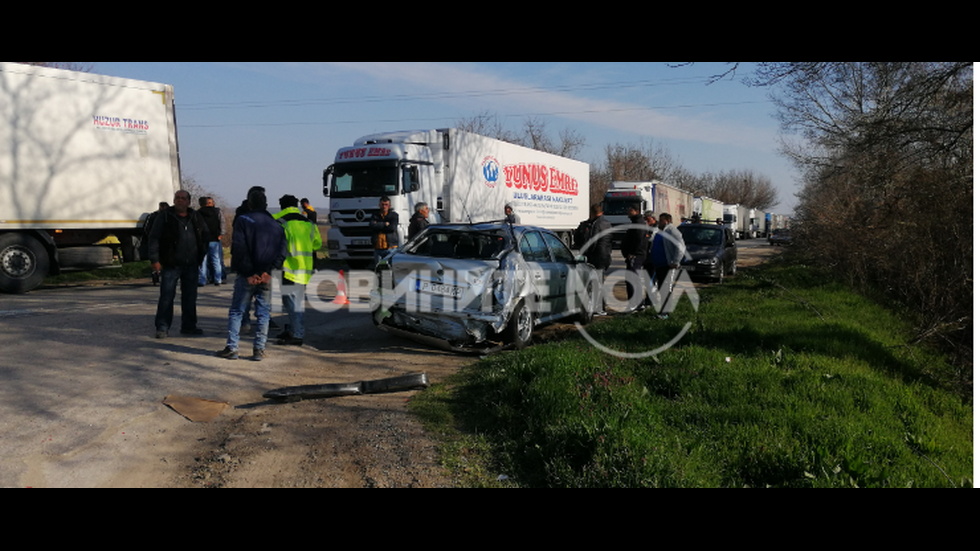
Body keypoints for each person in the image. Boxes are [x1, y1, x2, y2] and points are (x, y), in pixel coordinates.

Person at [216, 188, 287, 362]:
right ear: (266, 205)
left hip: (248, 275)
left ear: (249, 203)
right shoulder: (277, 225)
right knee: (263, 313)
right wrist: (267, 272)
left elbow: (240, 248)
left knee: (237, 311)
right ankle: (259, 349)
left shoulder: (243, 220)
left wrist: (249, 272)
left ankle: (232, 348)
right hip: (266, 277)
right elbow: (282, 252)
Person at [149, 190, 210, 339]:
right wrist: (155, 260)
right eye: (177, 198)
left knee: (190, 297)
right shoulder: (164, 217)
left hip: (191, 264)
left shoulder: (195, 216)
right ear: (174, 200)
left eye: (183, 198)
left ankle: (189, 326)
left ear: (189, 201)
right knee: (166, 297)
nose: (180, 201)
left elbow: (205, 235)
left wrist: (201, 254)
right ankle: (162, 327)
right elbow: (154, 238)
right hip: (171, 264)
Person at [273, 195, 322, 346]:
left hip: (288, 269)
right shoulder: (309, 223)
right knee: (295, 302)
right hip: (305, 269)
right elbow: (317, 244)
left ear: (282, 206)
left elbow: (276, 246)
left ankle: (297, 334)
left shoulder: (281, 222)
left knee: (292, 303)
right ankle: (293, 329)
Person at [649, 213, 685, 316]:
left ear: (667, 221)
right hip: (659, 265)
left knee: (666, 289)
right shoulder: (660, 231)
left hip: (667, 265)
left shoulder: (672, 231)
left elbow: (680, 247)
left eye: (661, 221)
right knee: (661, 288)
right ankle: (662, 310)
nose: (659, 223)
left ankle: (665, 313)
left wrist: (675, 261)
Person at [621, 205, 651, 311]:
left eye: (630, 210)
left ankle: (635, 303)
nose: (628, 212)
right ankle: (637, 303)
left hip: (637, 255)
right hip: (636, 254)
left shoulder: (639, 223)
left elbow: (638, 239)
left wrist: (632, 252)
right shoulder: (636, 222)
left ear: (636, 211)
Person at [197, 197, 225, 287]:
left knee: (202, 261)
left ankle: (202, 280)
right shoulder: (217, 211)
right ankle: (218, 279)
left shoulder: (198, 213)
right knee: (216, 260)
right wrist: (221, 233)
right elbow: (222, 222)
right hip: (214, 238)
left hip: (203, 240)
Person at [142, 201, 169, 286]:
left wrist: (151, 237)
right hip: (167, 242)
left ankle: (156, 278)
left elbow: (146, 228)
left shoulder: (152, 216)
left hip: (155, 241)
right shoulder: (170, 216)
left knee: (155, 260)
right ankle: (166, 278)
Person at [370, 196, 399, 267]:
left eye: (386, 205)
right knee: (379, 269)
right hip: (378, 248)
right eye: (382, 204)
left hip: (390, 248)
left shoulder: (394, 215)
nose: (384, 206)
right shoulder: (374, 215)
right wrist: (384, 224)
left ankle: (390, 278)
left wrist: (378, 225)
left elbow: (392, 228)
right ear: (379, 205)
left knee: (391, 269)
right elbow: (372, 226)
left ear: (389, 206)